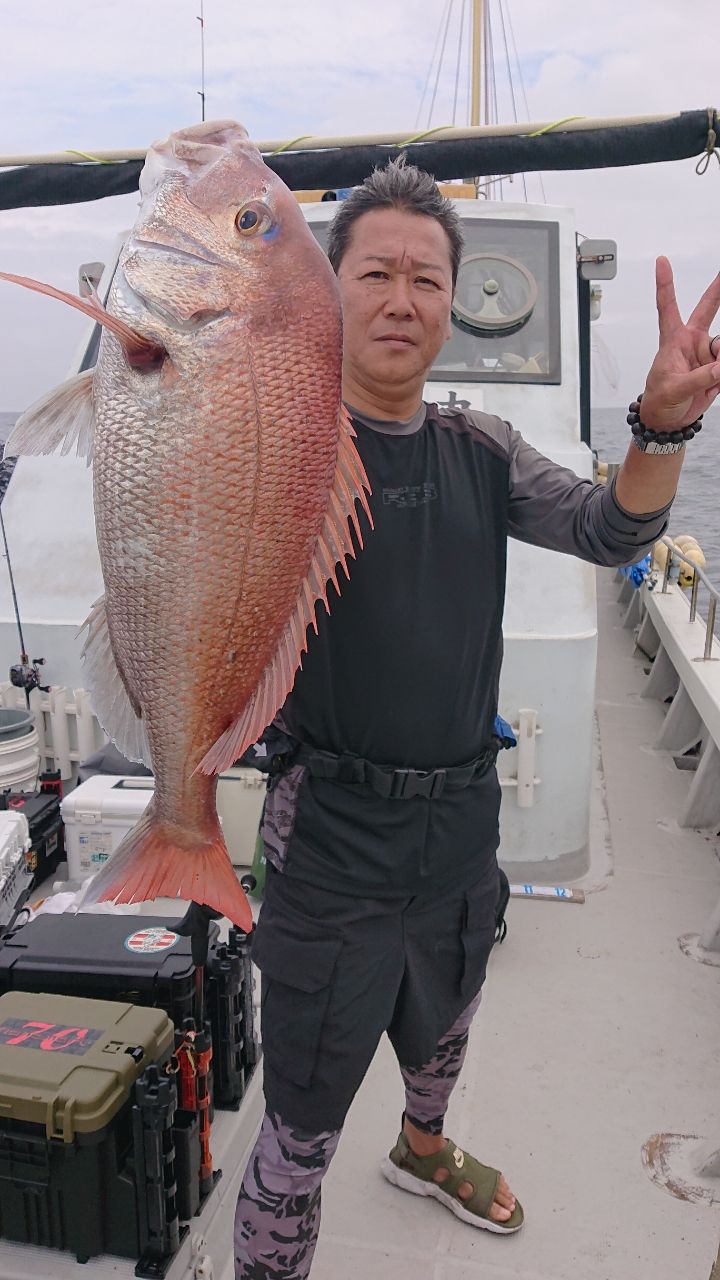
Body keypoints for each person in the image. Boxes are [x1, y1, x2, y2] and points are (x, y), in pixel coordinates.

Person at [234, 158, 720, 1279]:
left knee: (447, 1013)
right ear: (329, 289)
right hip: (330, 834)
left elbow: (609, 529)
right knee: (302, 1105)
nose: (402, 299)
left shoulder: (480, 447)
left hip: (459, 820)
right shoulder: (283, 452)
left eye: (427, 278)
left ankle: (422, 1145)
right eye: (376, 274)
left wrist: (658, 428)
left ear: (452, 303)